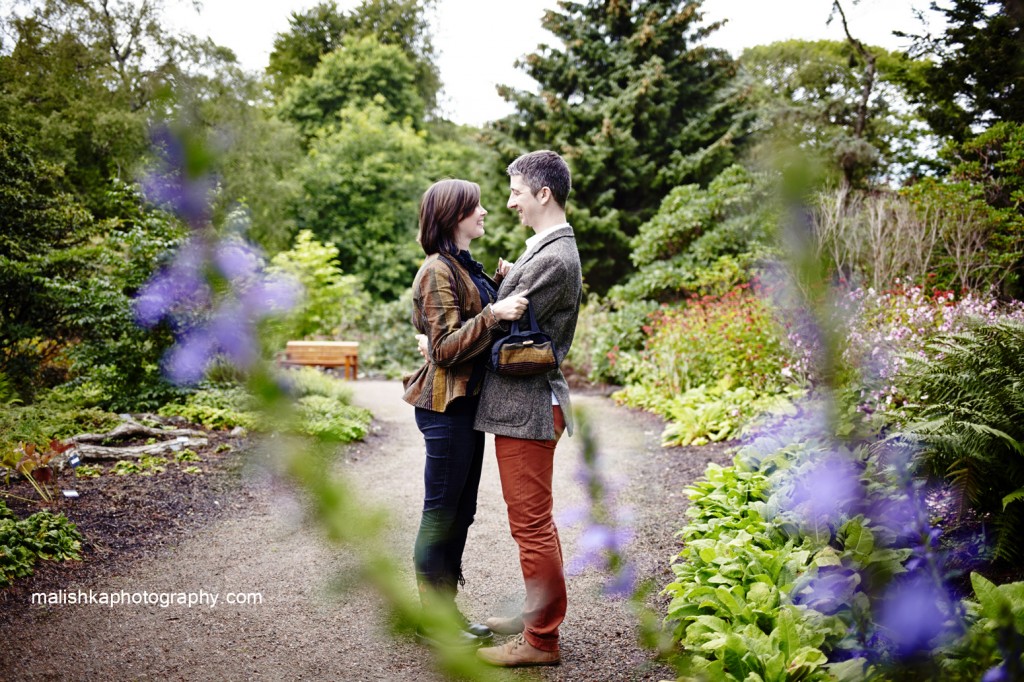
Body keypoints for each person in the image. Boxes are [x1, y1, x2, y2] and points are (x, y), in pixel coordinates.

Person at [401, 178, 529, 649]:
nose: (486, 213)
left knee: (462, 510)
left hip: (467, 405)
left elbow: (467, 319)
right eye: (476, 206)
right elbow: (443, 348)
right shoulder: (436, 269)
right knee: (442, 513)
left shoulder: (460, 264)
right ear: (455, 215)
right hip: (445, 407)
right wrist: (495, 313)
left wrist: (500, 286)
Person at [473, 150, 583, 668]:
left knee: (532, 526)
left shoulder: (556, 257)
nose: (510, 200)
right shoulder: (546, 250)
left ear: (544, 194)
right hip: (531, 405)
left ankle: (541, 641)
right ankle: (536, 614)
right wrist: (513, 277)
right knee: (538, 523)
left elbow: (501, 323)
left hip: (530, 408)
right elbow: (523, 309)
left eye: (516, 190)